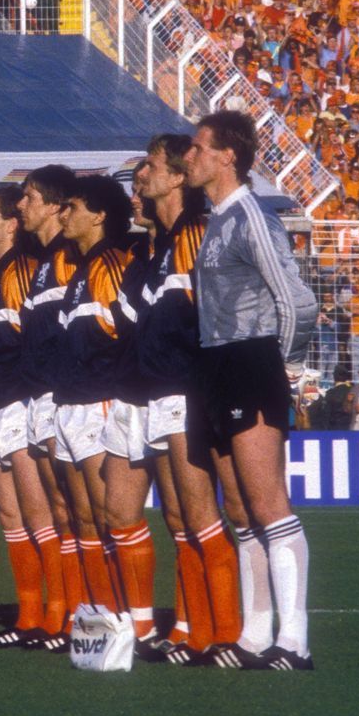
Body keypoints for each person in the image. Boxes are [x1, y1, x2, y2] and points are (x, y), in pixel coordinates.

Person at [186, 110, 318, 671]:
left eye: (197, 148)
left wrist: (281, 366)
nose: (188, 158)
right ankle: (255, 635)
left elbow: (297, 301)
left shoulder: (254, 219)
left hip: (250, 362)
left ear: (227, 157)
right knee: (239, 510)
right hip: (216, 365)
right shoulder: (216, 220)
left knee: (268, 504)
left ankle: (296, 642)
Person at [129, 134, 242, 665]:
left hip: (188, 388)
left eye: (150, 166)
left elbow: (215, 314)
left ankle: (226, 631)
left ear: (177, 177)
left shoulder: (196, 233)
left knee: (202, 515)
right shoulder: (159, 245)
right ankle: (194, 629)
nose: (141, 176)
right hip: (159, 392)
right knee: (177, 518)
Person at [0, 183, 63, 648]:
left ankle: (58, 615)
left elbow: (27, 341)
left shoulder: (24, 270)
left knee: (39, 512)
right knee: (10, 515)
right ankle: (29, 615)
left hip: (22, 401)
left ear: (11, 223)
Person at [49, 174, 133, 635]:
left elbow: (124, 336)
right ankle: (98, 616)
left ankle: (126, 613)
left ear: (99, 216)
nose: (65, 215)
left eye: (74, 207)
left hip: (100, 400)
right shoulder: (80, 269)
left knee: (107, 515)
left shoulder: (113, 263)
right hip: (70, 403)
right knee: (81, 518)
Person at [16, 164, 84, 647]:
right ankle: (64, 614)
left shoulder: (69, 259)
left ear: (57, 207)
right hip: (41, 398)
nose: (22, 206)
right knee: (59, 511)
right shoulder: (41, 262)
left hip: (70, 396)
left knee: (79, 509)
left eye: (30, 198)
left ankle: (92, 611)